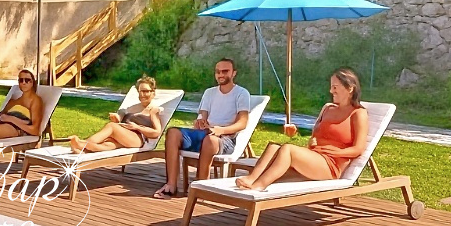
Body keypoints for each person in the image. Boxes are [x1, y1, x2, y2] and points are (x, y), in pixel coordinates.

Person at [235, 68, 368, 191]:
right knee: (273, 147)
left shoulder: (358, 113)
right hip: (315, 157)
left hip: (331, 165)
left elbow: (358, 149)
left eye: (335, 87)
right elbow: (316, 134)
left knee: (288, 149)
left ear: (350, 88)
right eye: (331, 87)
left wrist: (338, 152)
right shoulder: (328, 109)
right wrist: (312, 140)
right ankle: (252, 179)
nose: (331, 91)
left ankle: (258, 186)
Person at [153, 58, 251, 198]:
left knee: (210, 140)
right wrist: (200, 121)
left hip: (225, 138)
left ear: (233, 73)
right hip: (205, 132)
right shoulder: (209, 92)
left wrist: (221, 130)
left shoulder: (241, 93)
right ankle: (171, 185)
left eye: (225, 71)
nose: (221, 75)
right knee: (173, 133)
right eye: (218, 72)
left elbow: (242, 123)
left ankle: (201, 186)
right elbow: (202, 115)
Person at [66, 76, 163, 153]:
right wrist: (117, 119)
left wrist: (137, 127)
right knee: (107, 144)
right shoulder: (132, 107)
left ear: (153, 93)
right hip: (126, 136)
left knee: (111, 126)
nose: (142, 94)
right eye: (140, 91)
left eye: (145, 91)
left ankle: (81, 144)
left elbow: (156, 133)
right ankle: (83, 150)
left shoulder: (153, 110)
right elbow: (122, 121)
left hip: (138, 138)